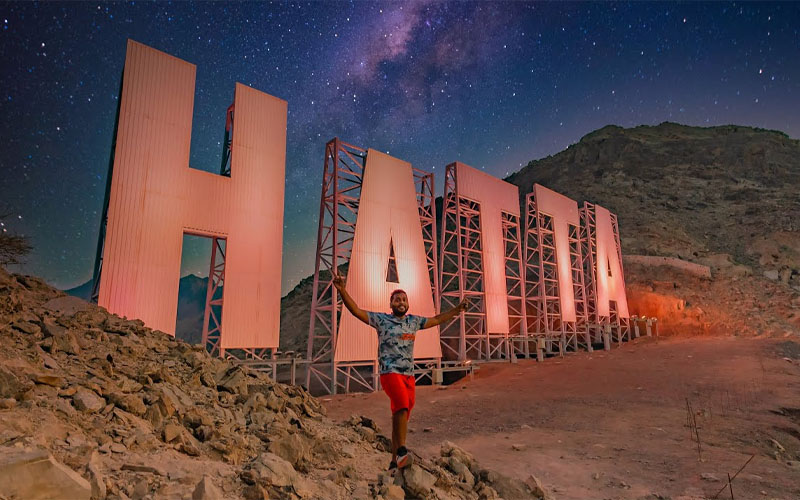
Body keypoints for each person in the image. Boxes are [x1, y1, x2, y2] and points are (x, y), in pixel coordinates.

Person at [332, 271, 469, 470]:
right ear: (391, 304)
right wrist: (342, 290)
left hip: (408, 375)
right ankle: (403, 451)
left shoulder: (414, 322)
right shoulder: (382, 320)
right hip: (390, 372)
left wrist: (458, 309)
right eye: (397, 299)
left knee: (402, 413)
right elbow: (356, 311)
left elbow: (437, 319)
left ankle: (394, 461)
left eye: (404, 299)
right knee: (402, 405)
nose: (401, 301)